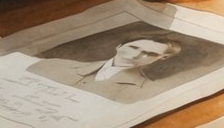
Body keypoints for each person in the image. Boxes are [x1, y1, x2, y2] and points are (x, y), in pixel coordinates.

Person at [31, 36, 183, 104]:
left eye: (150, 53)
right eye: (133, 47)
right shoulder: (54, 65)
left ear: (162, 58)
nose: (136, 55)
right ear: (119, 46)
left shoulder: (148, 93)